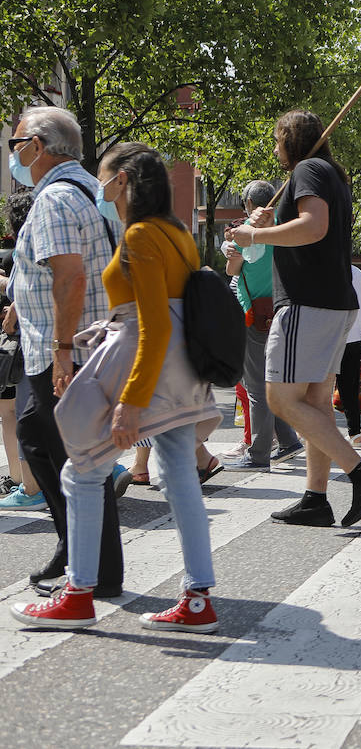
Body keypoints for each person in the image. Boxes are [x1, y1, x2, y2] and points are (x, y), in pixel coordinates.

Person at [11, 143, 222, 631]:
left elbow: (152, 325)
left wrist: (130, 401)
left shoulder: (143, 235)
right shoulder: (177, 233)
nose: (98, 187)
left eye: (103, 177)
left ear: (123, 180)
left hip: (144, 367)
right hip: (180, 370)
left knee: (81, 471)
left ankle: (78, 594)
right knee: (178, 478)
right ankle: (196, 598)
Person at [224, 110, 361, 528]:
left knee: (281, 398)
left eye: (278, 139)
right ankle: (316, 498)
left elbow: (314, 227)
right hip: (332, 303)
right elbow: (311, 225)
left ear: (291, 139)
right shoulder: (329, 173)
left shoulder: (308, 169)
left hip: (306, 304)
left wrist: (255, 235)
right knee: (316, 404)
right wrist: (271, 222)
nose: (275, 148)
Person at [4, 106, 125, 595]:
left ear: (37, 145)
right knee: (40, 438)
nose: (13, 154)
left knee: (74, 459)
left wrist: (59, 350)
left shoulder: (54, 198)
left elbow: (70, 276)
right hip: (90, 342)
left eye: (17, 144)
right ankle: (76, 549)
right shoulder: (93, 192)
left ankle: (94, 571)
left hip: (69, 349)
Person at [221, 180, 302, 471]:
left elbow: (232, 270)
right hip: (283, 311)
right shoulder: (286, 228)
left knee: (256, 386)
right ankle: (289, 440)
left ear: (250, 206)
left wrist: (235, 249)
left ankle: (258, 454)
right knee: (270, 384)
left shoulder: (247, 233)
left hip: (254, 313)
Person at [0, 190, 41, 510]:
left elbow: (17, 288)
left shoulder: (25, 248)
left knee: (21, 415)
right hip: (64, 341)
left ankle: (29, 486)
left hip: (31, 343)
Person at [335, 264, 361, 446]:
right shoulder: (357, 272)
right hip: (353, 336)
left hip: (329, 336)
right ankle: (355, 433)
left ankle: (317, 429)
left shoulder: (327, 268)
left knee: (317, 387)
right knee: (349, 387)